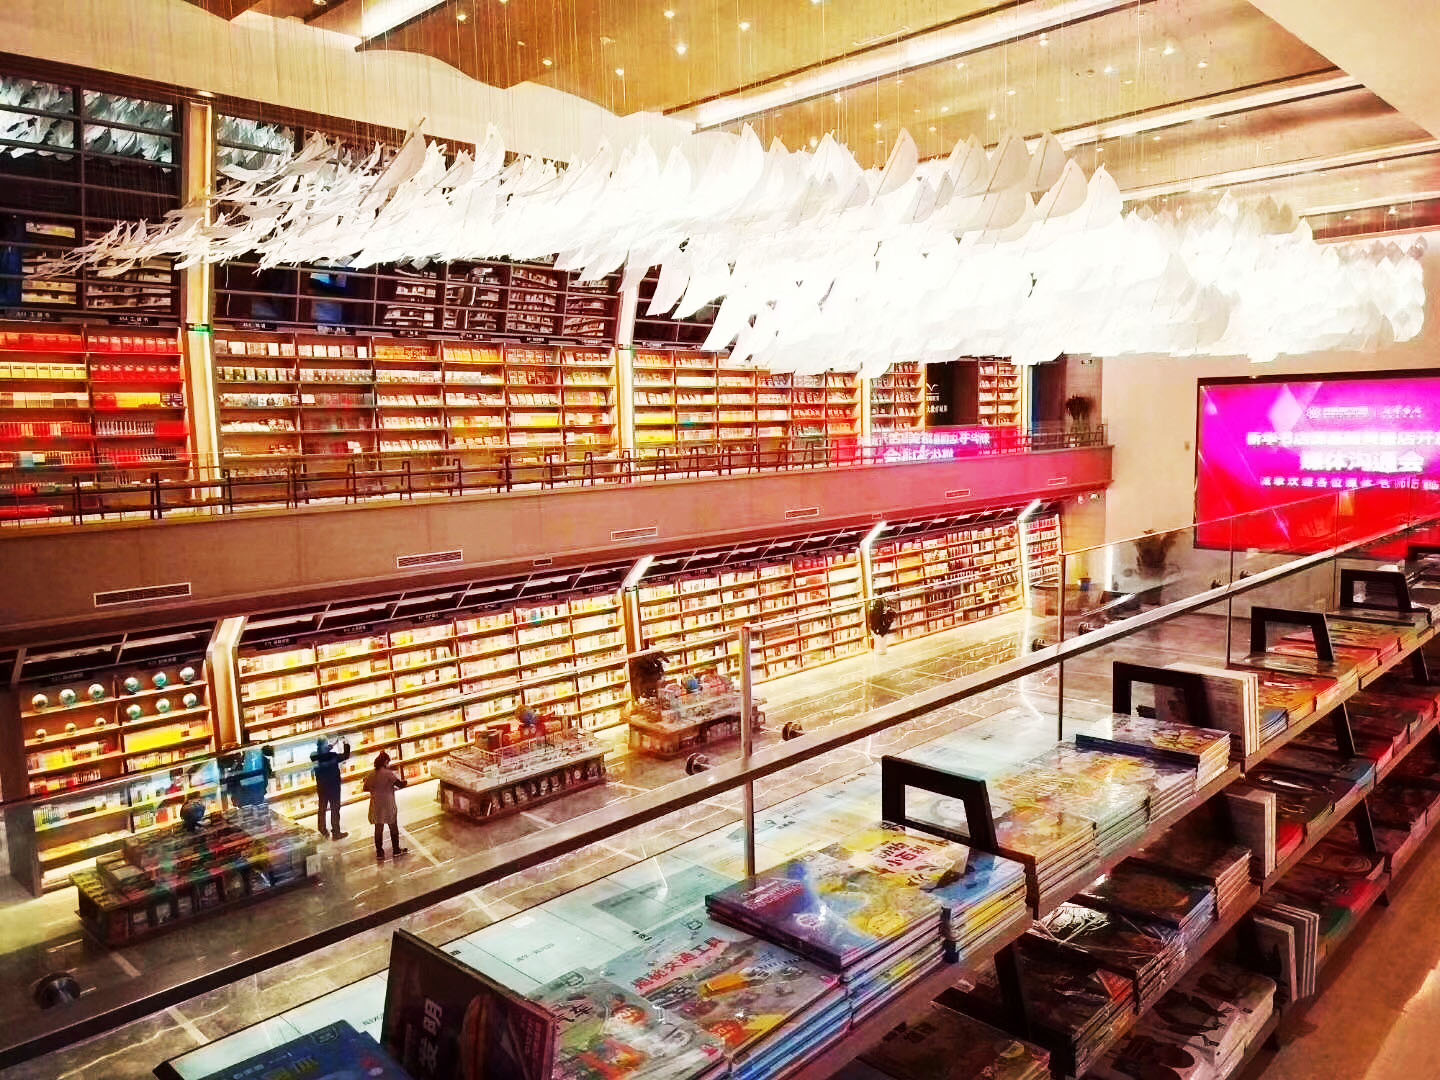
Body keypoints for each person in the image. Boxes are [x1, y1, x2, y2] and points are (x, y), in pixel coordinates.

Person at [362, 752, 408, 861]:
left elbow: (365, 788)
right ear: (385, 762)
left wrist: (375, 789)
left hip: (376, 804)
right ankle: (396, 850)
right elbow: (400, 784)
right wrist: (405, 782)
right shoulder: (388, 773)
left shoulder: (370, 774)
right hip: (388, 804)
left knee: (378, 829)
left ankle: (379, 853)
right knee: (393, 827)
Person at [310, 736, 351, 839]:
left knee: (322, 808)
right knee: (335, 809)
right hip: (334, 787)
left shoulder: (314, 756)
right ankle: (336, 832)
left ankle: (322, 830)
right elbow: (346, 755)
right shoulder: (333, 756)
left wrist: (332, 744)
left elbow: (322, 753)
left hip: (322, 787)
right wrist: (345, 743)